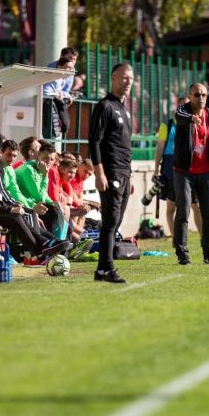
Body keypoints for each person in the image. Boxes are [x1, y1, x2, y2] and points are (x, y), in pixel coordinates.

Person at [0, 142, 70, 264]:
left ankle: (50, 244)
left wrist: (15, 206)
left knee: (28, 212)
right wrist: (11, 208)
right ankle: (41, 250)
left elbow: (4, 194)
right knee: (16, 217)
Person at [88, 62, 135, 283]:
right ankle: (107, 269)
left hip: (125, 174)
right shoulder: (104, 106)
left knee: (115, 222)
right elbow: (94, 141)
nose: (128, 82)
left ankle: (101, 270)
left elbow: (124, 145)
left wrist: (130, 175)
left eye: (131, 78)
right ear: (113, 78)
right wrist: (99, 173)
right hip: (111, 172)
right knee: (110, 221)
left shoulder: (124, 109)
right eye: (124, 77)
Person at [172, 83, 209, 266]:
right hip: (184, 171)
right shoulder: (183, 111)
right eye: (196, 95)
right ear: (190, 96)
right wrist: (192, 120)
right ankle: (182, 253)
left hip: (207, 172)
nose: (200, 98)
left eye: (203, 95)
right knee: (183, 211)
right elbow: (179, 116)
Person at [153, 97, 202, 237]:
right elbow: (160, 147)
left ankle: (204, 238)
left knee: (195, 205)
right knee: (171, 206)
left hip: (190, 167)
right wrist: (156, 170)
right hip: (170, 167)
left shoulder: (195, 123)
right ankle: (176, 239)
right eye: (182, 104)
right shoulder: (167, 125)